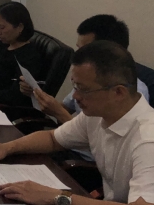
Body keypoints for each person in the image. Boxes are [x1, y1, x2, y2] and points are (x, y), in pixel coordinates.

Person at [0, 41, 154, 205]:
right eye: (75, 86)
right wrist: (8, 147)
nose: (75, 96)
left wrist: (57, 197)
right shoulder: (98, 115)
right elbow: (53, 138)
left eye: (83, 89)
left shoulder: (147, 140)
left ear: (118, 92)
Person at [21, 14, 149, 124]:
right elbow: (65, 109)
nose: (78, 56)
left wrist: (59, 113)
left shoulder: (133, 94)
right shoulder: (87, 79)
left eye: (84, 51)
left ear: (109, 51)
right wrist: (38, 95)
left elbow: (99, 141)